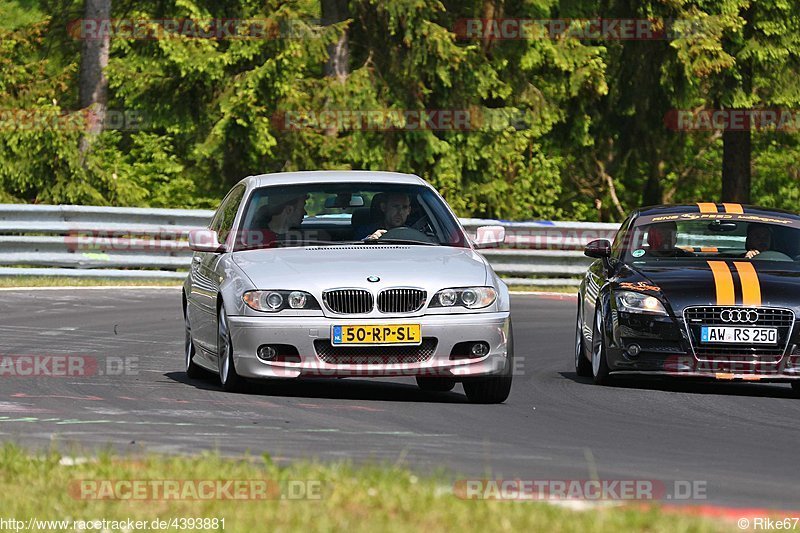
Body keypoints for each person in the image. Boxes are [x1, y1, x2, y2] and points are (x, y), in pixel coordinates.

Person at [242, 192, 308, 248]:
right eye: (302, 208)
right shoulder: (254, 241)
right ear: (289, 210)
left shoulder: (302, 238)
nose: (305, 213)